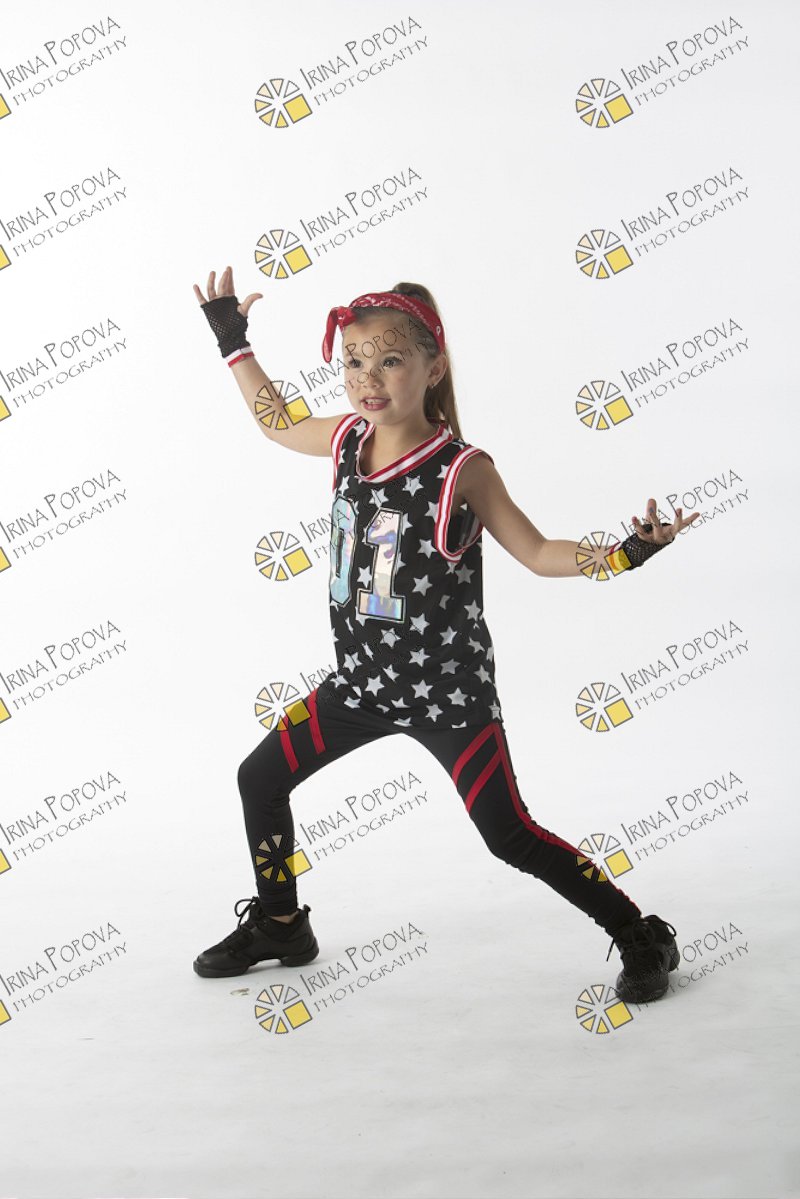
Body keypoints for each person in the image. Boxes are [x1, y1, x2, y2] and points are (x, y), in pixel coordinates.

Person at [190, 266, 699, 1004]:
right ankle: (280, 923)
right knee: (259, 778)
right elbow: (274, 420)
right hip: (359, 687)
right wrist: (233, 340)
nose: (368, 380)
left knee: (508, 833)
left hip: (448, 697)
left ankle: (639, 931)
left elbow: (538, 551)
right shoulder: (346, 439)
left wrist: (624, 553)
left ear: (434, 368)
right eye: (353, 362)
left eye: (390, 360)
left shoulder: (463, 469)